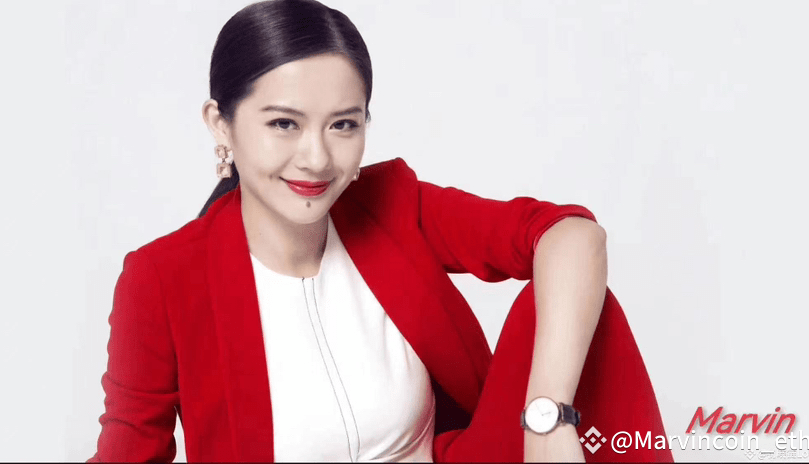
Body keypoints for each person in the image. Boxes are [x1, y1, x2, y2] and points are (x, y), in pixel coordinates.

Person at [88, 0, 672, 462]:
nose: (317, 158)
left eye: (343, 125)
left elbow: (571, 236)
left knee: (576, 304)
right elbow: (128, 450)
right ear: (221, 124)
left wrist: (548, 416)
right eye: (284, 124)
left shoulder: (392, 206)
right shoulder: (162, 277)